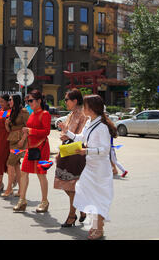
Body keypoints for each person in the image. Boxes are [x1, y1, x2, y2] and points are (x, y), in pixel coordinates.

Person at [60, 95, 116, 240]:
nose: (83, 108)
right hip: (90, 166)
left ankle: (99, 227)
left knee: (99, 198)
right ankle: (95, 224)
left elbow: (105, 149)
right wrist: (67, 131)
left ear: (91, 108)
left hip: (100, 169)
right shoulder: (90, 122)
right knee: (85, 193)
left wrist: (87, 151)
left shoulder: (102, 127)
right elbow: (81, 138)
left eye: (85, 106)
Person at [55, 89, 89, 227]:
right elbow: (67, 132)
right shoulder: (71, 114)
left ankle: (71, 215)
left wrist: (67, 134)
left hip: (75, 154)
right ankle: (81, 207)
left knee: (72, 185)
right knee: (64, 184)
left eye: (66, 100)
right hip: (66, 151)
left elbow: (81, 137)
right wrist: (64, 133)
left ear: (75, 101)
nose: (65, 102)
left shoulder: (83, 115)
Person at [13, 90, 51, 213]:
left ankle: (44, 201)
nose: (29, 103)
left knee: (41, 174)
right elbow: (27, 130)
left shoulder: (45, 114)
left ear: (39, 101)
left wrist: (30, 131)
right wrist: (23, 139)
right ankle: (22, 200)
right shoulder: (32, 114)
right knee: (24, 172)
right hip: (31, 147)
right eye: (27, 101)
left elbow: (46, 132)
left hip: (42, 148)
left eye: (31, 101)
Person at [3, 94, 30, 197]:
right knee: (16, 165)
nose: (9, 101)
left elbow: (28, 127)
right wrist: (6, 124)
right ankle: (20, 189)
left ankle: (9, 188)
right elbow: (9, 130)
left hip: (20, 141)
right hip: (12, 139)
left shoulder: (23, 112)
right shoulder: (12, 112)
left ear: (15, 100)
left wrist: (23, 140)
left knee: (10, 163)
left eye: (10, 100)